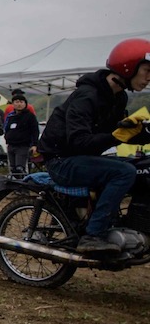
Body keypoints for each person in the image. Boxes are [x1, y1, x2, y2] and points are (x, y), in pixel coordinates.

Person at [37, 38, 150, 253]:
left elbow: (122, 133)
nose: (148, 78)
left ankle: (126, 226)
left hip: (83, 159)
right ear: (128, 66)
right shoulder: (87, 96)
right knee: (124, 172)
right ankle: (93, 235)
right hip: (62, 161)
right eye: (146, 70)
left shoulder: (118, 98)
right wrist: (117, 135)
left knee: (141, 165)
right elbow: (80, 142)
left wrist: (143, 133)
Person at [3, 90, 39, 178]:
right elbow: (6, 128)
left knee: (20, 168)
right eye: (16, 102)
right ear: (13, 104)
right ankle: (16, 188)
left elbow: (35, 130)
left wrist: (34, 144)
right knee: (13, 168)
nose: (19, 104)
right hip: (11, 145)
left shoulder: (30, 116)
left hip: (23, 145)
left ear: (25, 104)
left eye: (21, 102)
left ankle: (23, 189)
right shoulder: (11, 116)